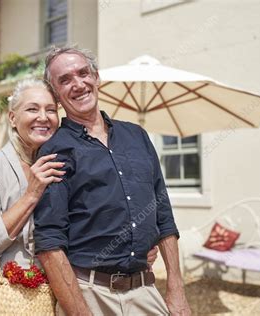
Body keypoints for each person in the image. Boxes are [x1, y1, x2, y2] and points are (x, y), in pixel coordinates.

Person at [33, 47, 191, 315]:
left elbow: (163, 215)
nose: (78, 84)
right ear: (56, 94)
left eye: (83, 73)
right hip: (89, 294)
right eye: (65, 80)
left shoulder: (137, 136)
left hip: (145, 290)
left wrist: (176, 290)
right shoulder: (55, 150)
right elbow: (49, 241)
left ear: (96, 77)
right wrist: (80, 312)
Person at [0, 78, 159, 275]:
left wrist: (135, 250)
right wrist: (31, 195)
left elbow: (92, 226)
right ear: (13, 118)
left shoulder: (69, 162)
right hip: (6, 296)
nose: (43, 117)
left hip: (64, 292)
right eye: (32, 109)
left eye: (50, 110)